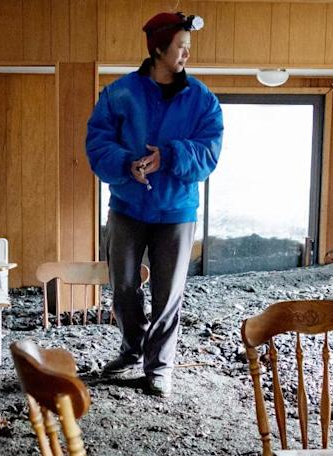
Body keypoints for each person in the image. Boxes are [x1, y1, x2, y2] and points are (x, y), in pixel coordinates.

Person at [85, 11, 223, 398]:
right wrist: (126, 164)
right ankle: (132, 348)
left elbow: (209, 152)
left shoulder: (203, 100)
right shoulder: (118, 94)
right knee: (123, 286)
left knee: (168, 293)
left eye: (188, 47)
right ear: (159, 48)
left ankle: (159, 366)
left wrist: (171, 156)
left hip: (177, 210)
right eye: (181, 46)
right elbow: (97, 143)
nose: (187, 55)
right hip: (127, 206)